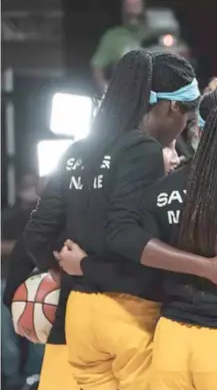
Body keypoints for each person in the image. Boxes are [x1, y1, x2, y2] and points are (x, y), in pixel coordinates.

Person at [11, 50, 217, 390]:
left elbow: (36, 234)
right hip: (127, 315)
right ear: (171, 108)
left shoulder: (78, 150)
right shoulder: (143, 151)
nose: (184, 128)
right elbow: (124, 235)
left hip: (76, 317)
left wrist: (61, 272)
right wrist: (209, 267)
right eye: (187, 116)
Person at [2, 143, 183, 390]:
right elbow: (32, 239)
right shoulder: (137, 203)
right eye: (168, 147)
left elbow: (34, 237)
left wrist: (77, 268)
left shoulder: (81, 193)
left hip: (81, 329)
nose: (176, 157)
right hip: (133, 327)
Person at [1, 174, 45, 390]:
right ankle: (11, 377)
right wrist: (24, 246)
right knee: (6, 330)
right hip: (6, 278)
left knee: (38, 326)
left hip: (39, 281)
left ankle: (35, 374)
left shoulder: (48, 215)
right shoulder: (7, 217)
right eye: (25, 184)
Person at [91, 0, 147, 91]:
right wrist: (107, 91)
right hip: (126, 93)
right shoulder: (113, 36)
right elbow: (97, 68)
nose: (132, 5)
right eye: (129, 2)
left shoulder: (157, 32)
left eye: (136, 2)